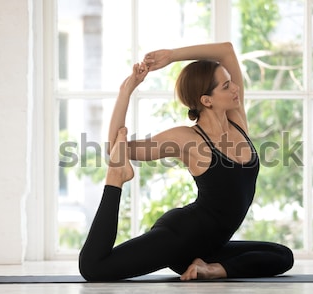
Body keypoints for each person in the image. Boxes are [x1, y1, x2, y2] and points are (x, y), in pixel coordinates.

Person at [78, 42, 294, 281]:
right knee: (94, 268)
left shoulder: (237, 121)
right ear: (207, 100)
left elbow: (226, 51)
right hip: (181, 237)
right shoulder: (187, 139)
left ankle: (212, 269)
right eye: (226, 86)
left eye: (231, 81)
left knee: (282, 255)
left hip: (211, 248)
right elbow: (116, 149)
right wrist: (126, 91)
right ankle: (115, 179)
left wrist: (172, 56)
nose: (236, 89)